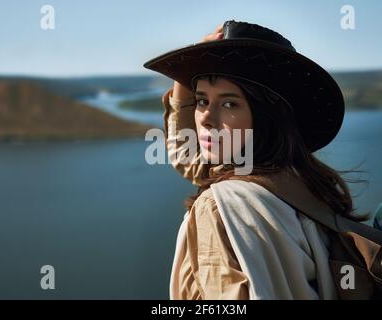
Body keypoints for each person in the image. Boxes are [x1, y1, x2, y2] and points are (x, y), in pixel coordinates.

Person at [144, 20, 360, 299]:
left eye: (229, 103)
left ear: (265, 115)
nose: (206, 119)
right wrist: (184, 80)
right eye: (201, 101)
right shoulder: (299, 179)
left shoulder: (218, 208)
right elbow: (191, 159)